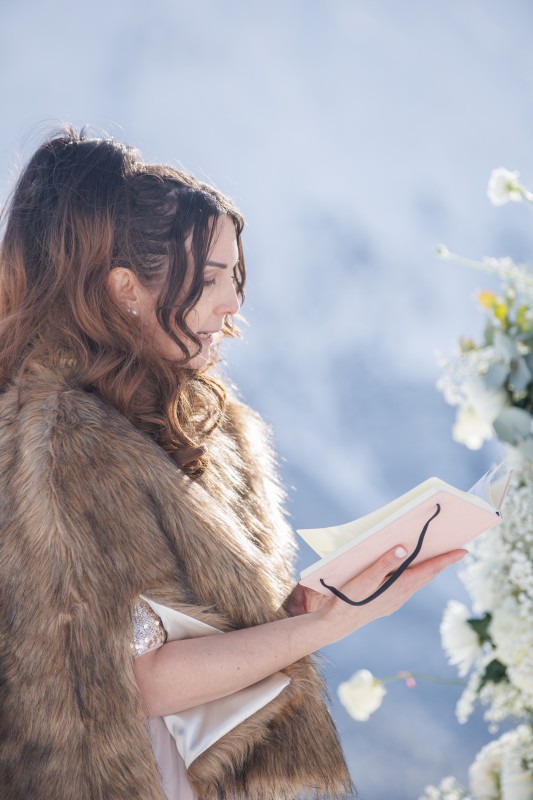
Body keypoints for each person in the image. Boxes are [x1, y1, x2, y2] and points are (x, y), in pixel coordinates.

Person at [0, 128, 465, 800]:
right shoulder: (68, 439)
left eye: (233, 276)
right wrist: (326, 624)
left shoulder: (174, 420)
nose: (232, 303)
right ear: (127, 288)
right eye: (212, 278)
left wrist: (290, 616)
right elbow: (131, 680)